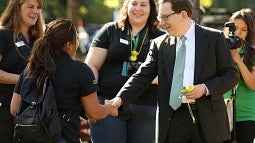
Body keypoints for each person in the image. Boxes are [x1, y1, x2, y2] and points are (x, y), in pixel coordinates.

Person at [110, 0, 239, 143]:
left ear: (183, 15)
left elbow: (232, 75)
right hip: (172, 120)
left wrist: (205, 88)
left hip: (207, 121)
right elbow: (142, 76)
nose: (161, 23)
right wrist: (119, 99)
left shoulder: (214, 38)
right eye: (160, 17)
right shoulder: (159, 44)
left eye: (165, 17)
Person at [10, 18, 117, 143]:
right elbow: (94, 113)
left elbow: (14, 108)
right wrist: (109, 108)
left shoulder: (33, 67)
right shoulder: (80, 70)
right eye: (76, 39)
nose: (78, 43)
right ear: (68, 45)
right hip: (64, 136)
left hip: (30, 138)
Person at [84, 0, 164, 142]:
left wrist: (144, 75)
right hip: (108, 105)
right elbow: (91, 66)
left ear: (152, 8)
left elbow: (167, 73)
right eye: (134, 3)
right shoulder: (110, 31)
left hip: (146, 108)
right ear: (126, 6)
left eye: (143, 4)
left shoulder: (161, 37)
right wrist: (93, 100)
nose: (138, 8)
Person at [0, 0, 44, 142]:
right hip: (6, 113)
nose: (36, 11)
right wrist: (24, 79)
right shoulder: (3, 35)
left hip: (33, 114)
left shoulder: (38, 40)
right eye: (30, 7)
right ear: (16, 8)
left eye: (38, 7)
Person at [224, 9, 255, 143]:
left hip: (247, 116)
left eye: (244, 29)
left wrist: (238, 60)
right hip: (223, 113)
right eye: (235, 28)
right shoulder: (220, 49)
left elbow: (252, 85)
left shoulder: (252, 53)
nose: (239, 33)